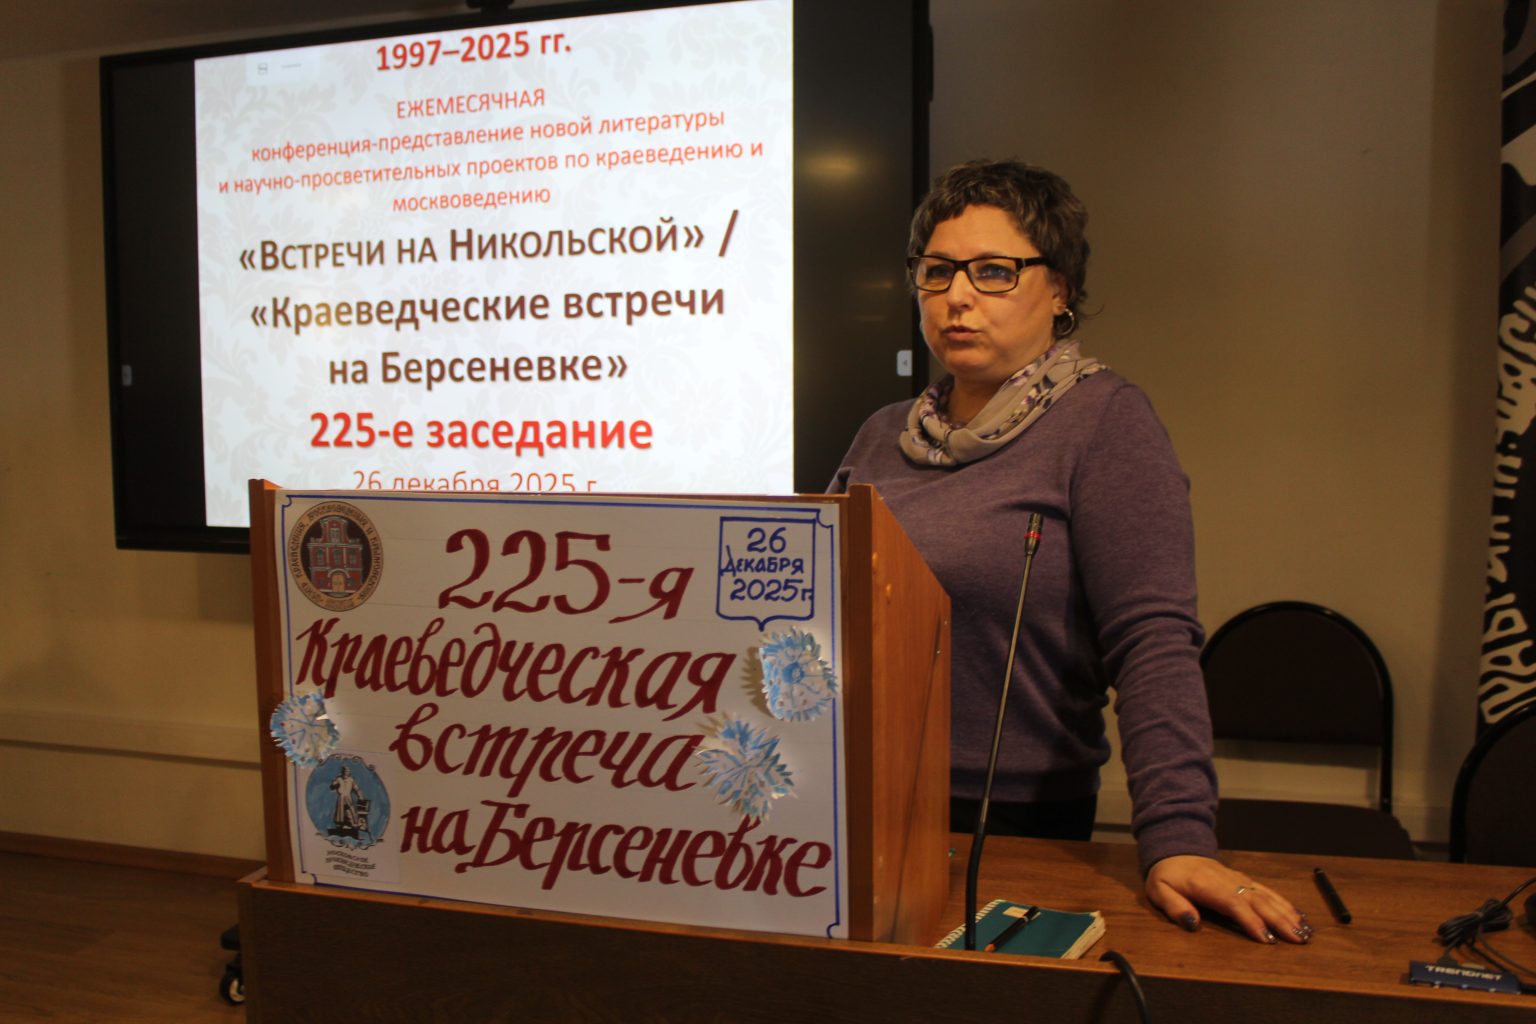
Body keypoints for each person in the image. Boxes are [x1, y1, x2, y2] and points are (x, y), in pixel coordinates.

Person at [829, 159, 1309, 944]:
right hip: (852, 802)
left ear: (1059, 288)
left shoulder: (1104, 424)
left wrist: (1180, 839)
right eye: (937, 270)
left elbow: (1152, 641)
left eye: (993, 271)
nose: (957, 296)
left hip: (1014, 822)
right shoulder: (881, 435)